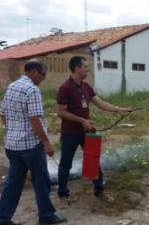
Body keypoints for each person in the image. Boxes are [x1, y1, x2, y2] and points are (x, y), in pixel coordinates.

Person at [0, 60, 66, 225]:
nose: (44, 78)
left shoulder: (12, 86)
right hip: (30, 146)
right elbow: (35, 119)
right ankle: (46, 215)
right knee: (42, 181)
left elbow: (2, 114)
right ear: (33, 71)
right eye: (43, 74)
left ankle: (1, 218)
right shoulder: (32, 90)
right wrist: (46, 143)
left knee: (13, 182)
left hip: (12, 145)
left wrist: (12, 130)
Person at [56, 56, 131, 202]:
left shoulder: (85, 86)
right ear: (77, 68)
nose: (87, 69)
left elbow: (100, 103)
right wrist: (81, 120)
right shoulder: (65, 88)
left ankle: (99, 190)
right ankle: (63, 194)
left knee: (93, 160)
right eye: (85, 66)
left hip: (87, 131)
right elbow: (61, 112)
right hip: (70, 133)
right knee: (66, 164)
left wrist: (118, 109)